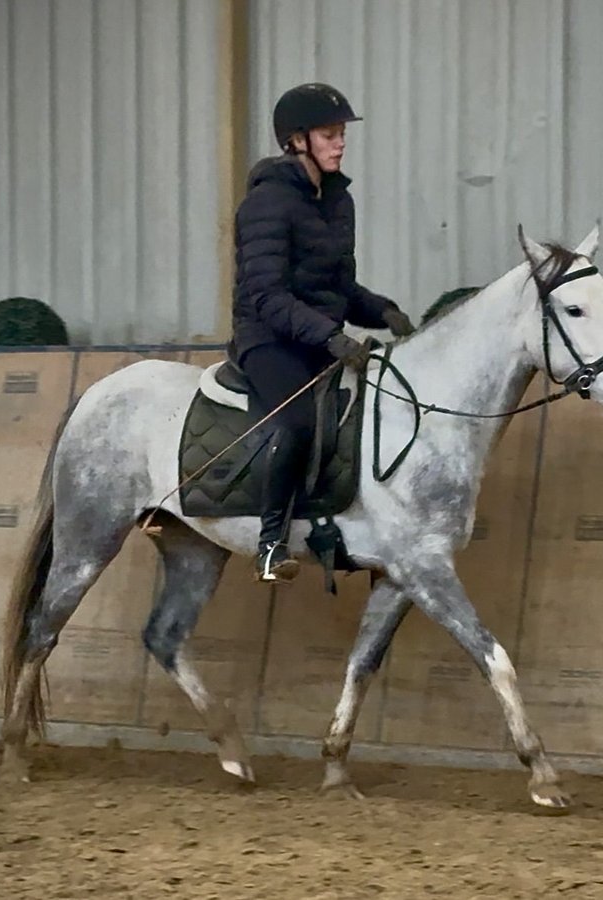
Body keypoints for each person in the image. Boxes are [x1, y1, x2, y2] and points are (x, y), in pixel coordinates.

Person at [229, 82, 416, 584]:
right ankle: (269, 544)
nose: (340, 143)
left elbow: (339, 287)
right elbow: (267, 296)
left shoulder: (336, 202)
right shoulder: (265, 205)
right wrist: (331, 338)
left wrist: (385, 311)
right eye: (329, 135)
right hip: (268, 339)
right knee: (295, 422)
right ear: (296, 141)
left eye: (341, 135)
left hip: (316, 338)